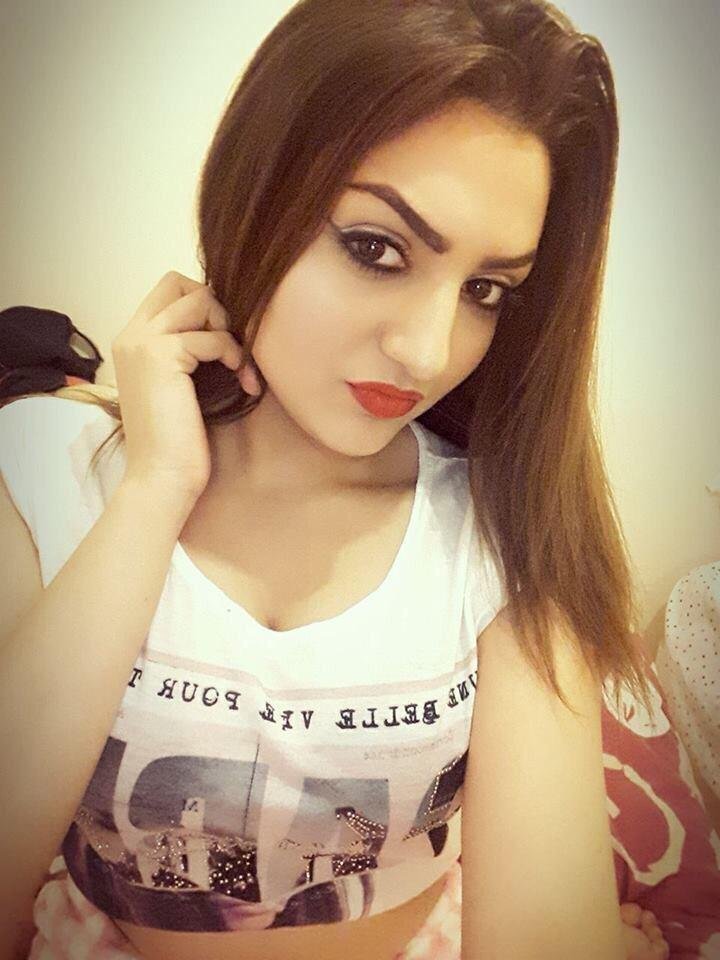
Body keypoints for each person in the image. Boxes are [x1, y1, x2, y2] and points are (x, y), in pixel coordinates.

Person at [0, 0, 682, 957]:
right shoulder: (46, 467)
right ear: (255, 191)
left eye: (486, 290)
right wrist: (155, 489)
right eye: (376, 248)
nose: (429, 351)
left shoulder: (505, 530)